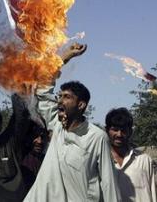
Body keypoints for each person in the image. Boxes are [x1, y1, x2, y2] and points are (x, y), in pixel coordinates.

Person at [24, 43, 121, 202]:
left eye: (67, 97)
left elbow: (109, 182)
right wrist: (64, 57)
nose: (60, 100)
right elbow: (42, 89)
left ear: (81, 105)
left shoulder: (96, 137)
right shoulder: (56, 125)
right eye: (60, 96)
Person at [106, 107, 157, 202]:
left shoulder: (144, 160)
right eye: (115, 129)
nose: (119, 134)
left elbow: (153, 194)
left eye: (123, 130)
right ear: (107, 130)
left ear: (130, 132)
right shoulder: (100, 161)